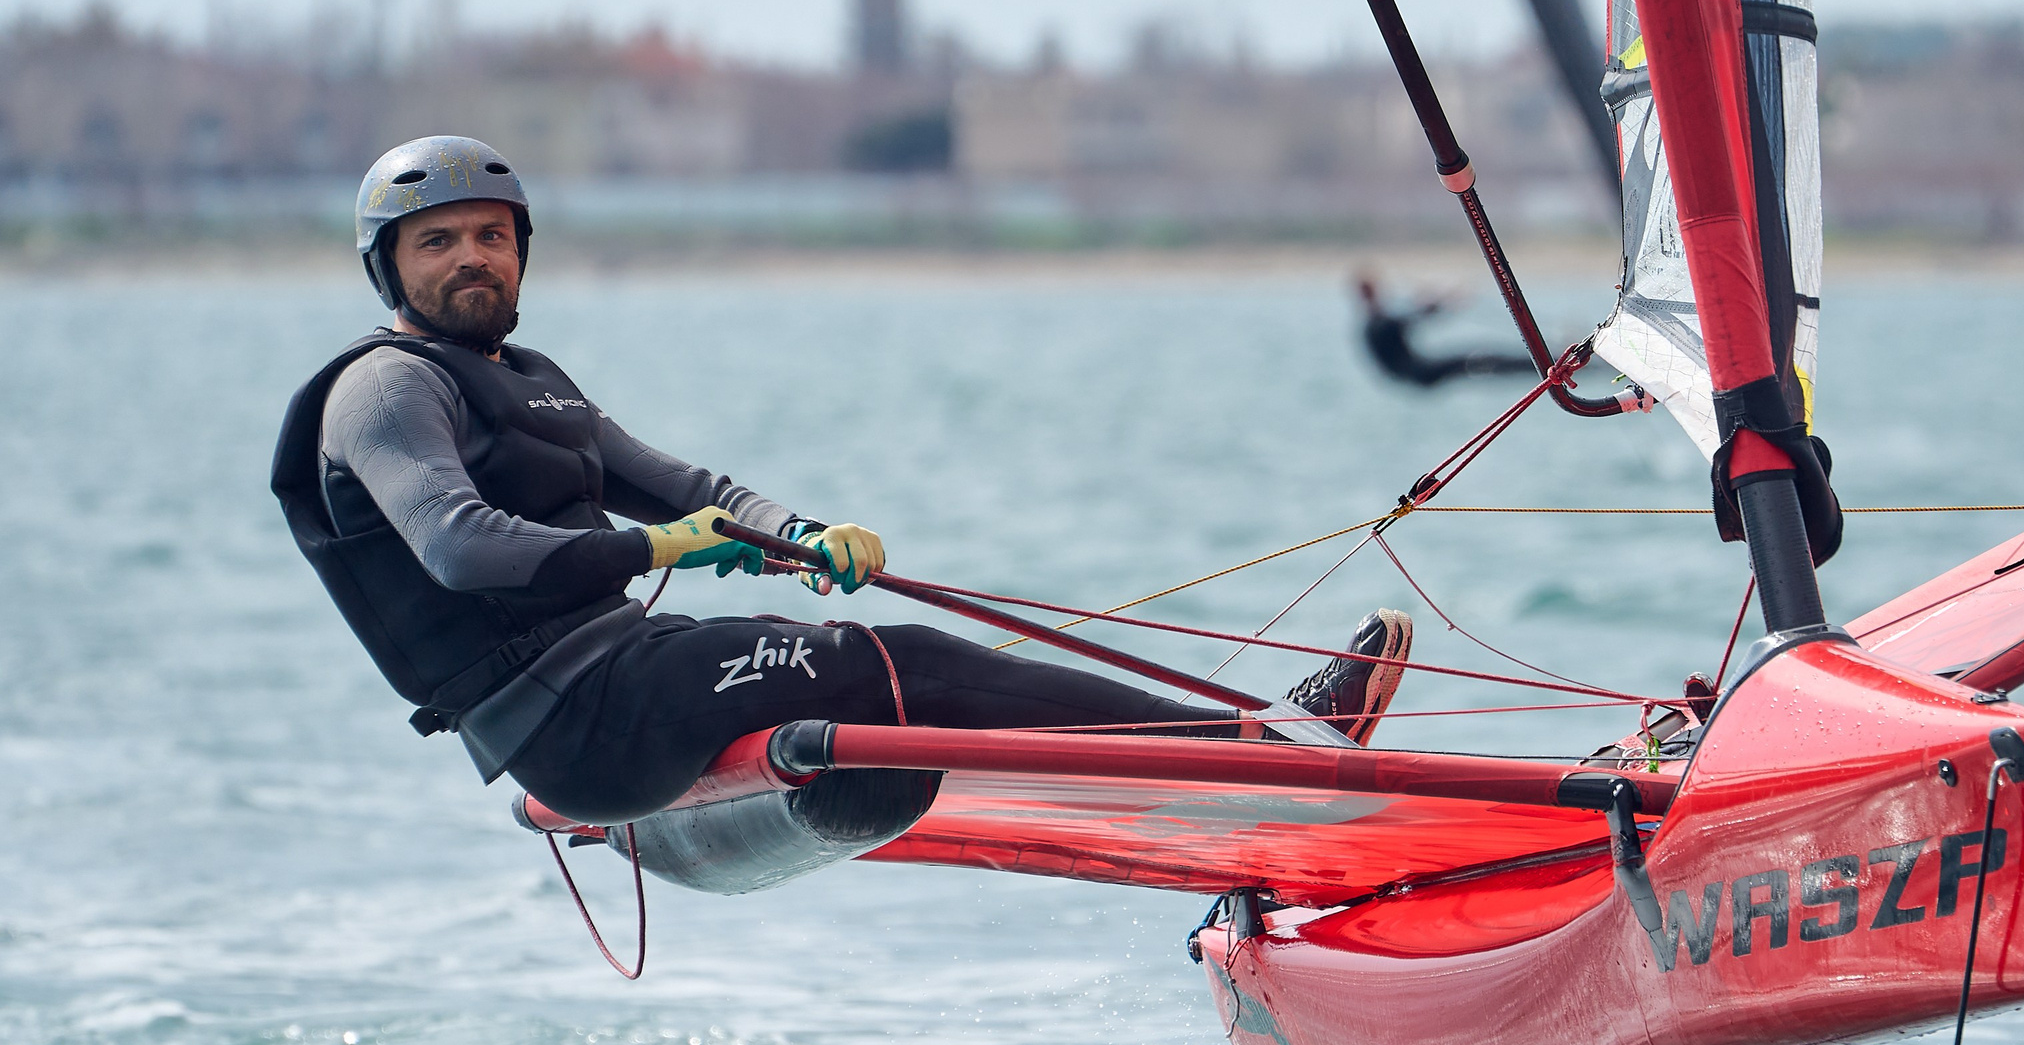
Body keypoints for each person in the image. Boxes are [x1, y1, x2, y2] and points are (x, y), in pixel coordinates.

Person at [274, 136, 1412, 828]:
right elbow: (458, 547)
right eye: (438, 243)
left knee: (872, 655)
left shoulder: (529, 378)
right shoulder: (381, 390)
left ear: (522, 250)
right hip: (574, 724)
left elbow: (679, 483)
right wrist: (662, 552)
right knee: (896, 664)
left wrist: (802, 532)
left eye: (491, 235)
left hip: (626, 678)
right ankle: (1262, 755)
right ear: (391, 266)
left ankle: (1234, 759)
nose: (472, 257)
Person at [1355, 274, 1539, 387]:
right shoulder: (1377, 324)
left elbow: (1413, 314)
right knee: (1482, 359)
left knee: (1483, 359)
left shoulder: (1378, 319)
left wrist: (1440, 302)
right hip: (1421, 374)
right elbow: (1413, 317)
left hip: (1416, 374)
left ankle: (1545, 364)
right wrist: (1446, 301)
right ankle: (1545, 365)